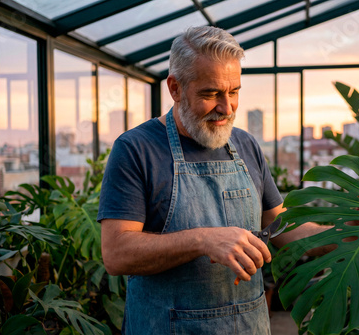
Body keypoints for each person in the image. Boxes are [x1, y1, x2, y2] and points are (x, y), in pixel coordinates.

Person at [98, 26, 330, 335]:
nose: (227, 107)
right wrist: (203, 240)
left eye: (234, 92)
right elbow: (116, 253)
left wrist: (344, 233)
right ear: (175, 88)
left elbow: (282, 228)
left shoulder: (247, 145)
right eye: (211, 94)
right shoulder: (136, 149)